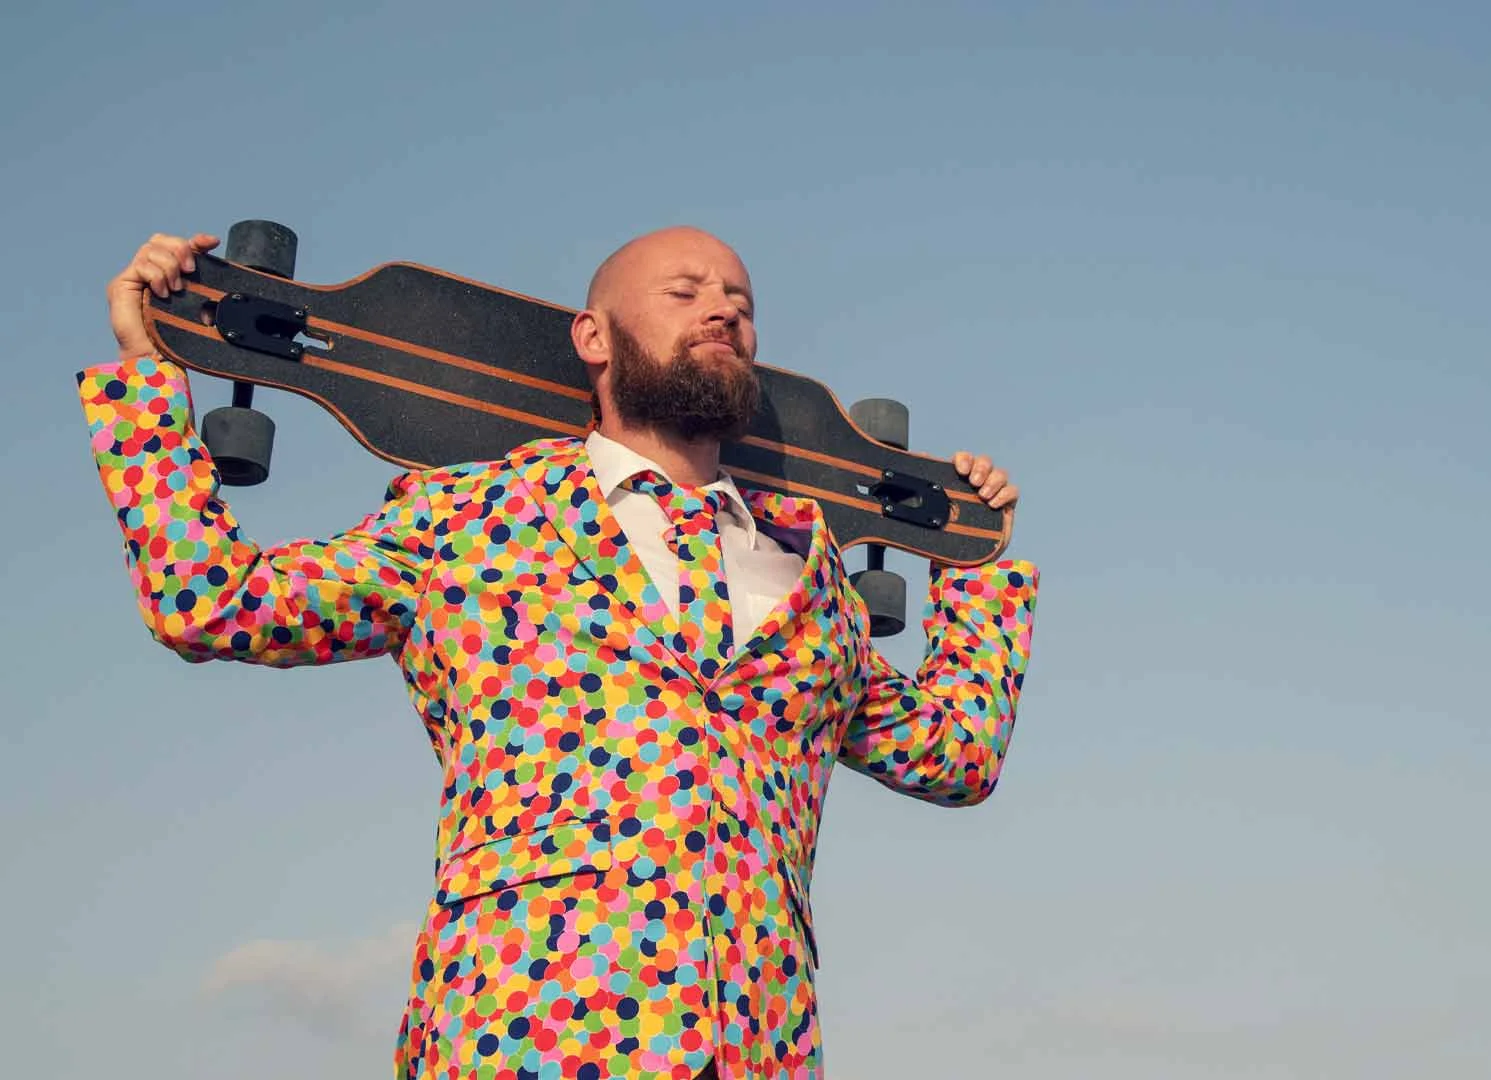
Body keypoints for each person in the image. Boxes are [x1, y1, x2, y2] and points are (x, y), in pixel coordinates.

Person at [78, 227, 1040, 1080]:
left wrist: (973, 556)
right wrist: (142, 372)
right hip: (525, 1031)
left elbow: (954, 756)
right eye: (686, 291)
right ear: (594, 338)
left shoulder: (810, 572)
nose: (723, 311)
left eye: (740, 303)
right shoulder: (473, 518)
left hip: (761, 1041)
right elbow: (211, 602)